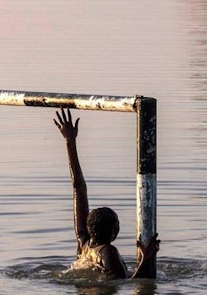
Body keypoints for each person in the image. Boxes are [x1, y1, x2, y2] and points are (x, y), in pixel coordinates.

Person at [54, 108, 159, 279]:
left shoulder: (84, 244)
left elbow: (79, 188)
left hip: (86, 293)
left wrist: (70, 141)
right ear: (113, 232)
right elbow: (126, 283)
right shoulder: (108, 252)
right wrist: (146, 259)